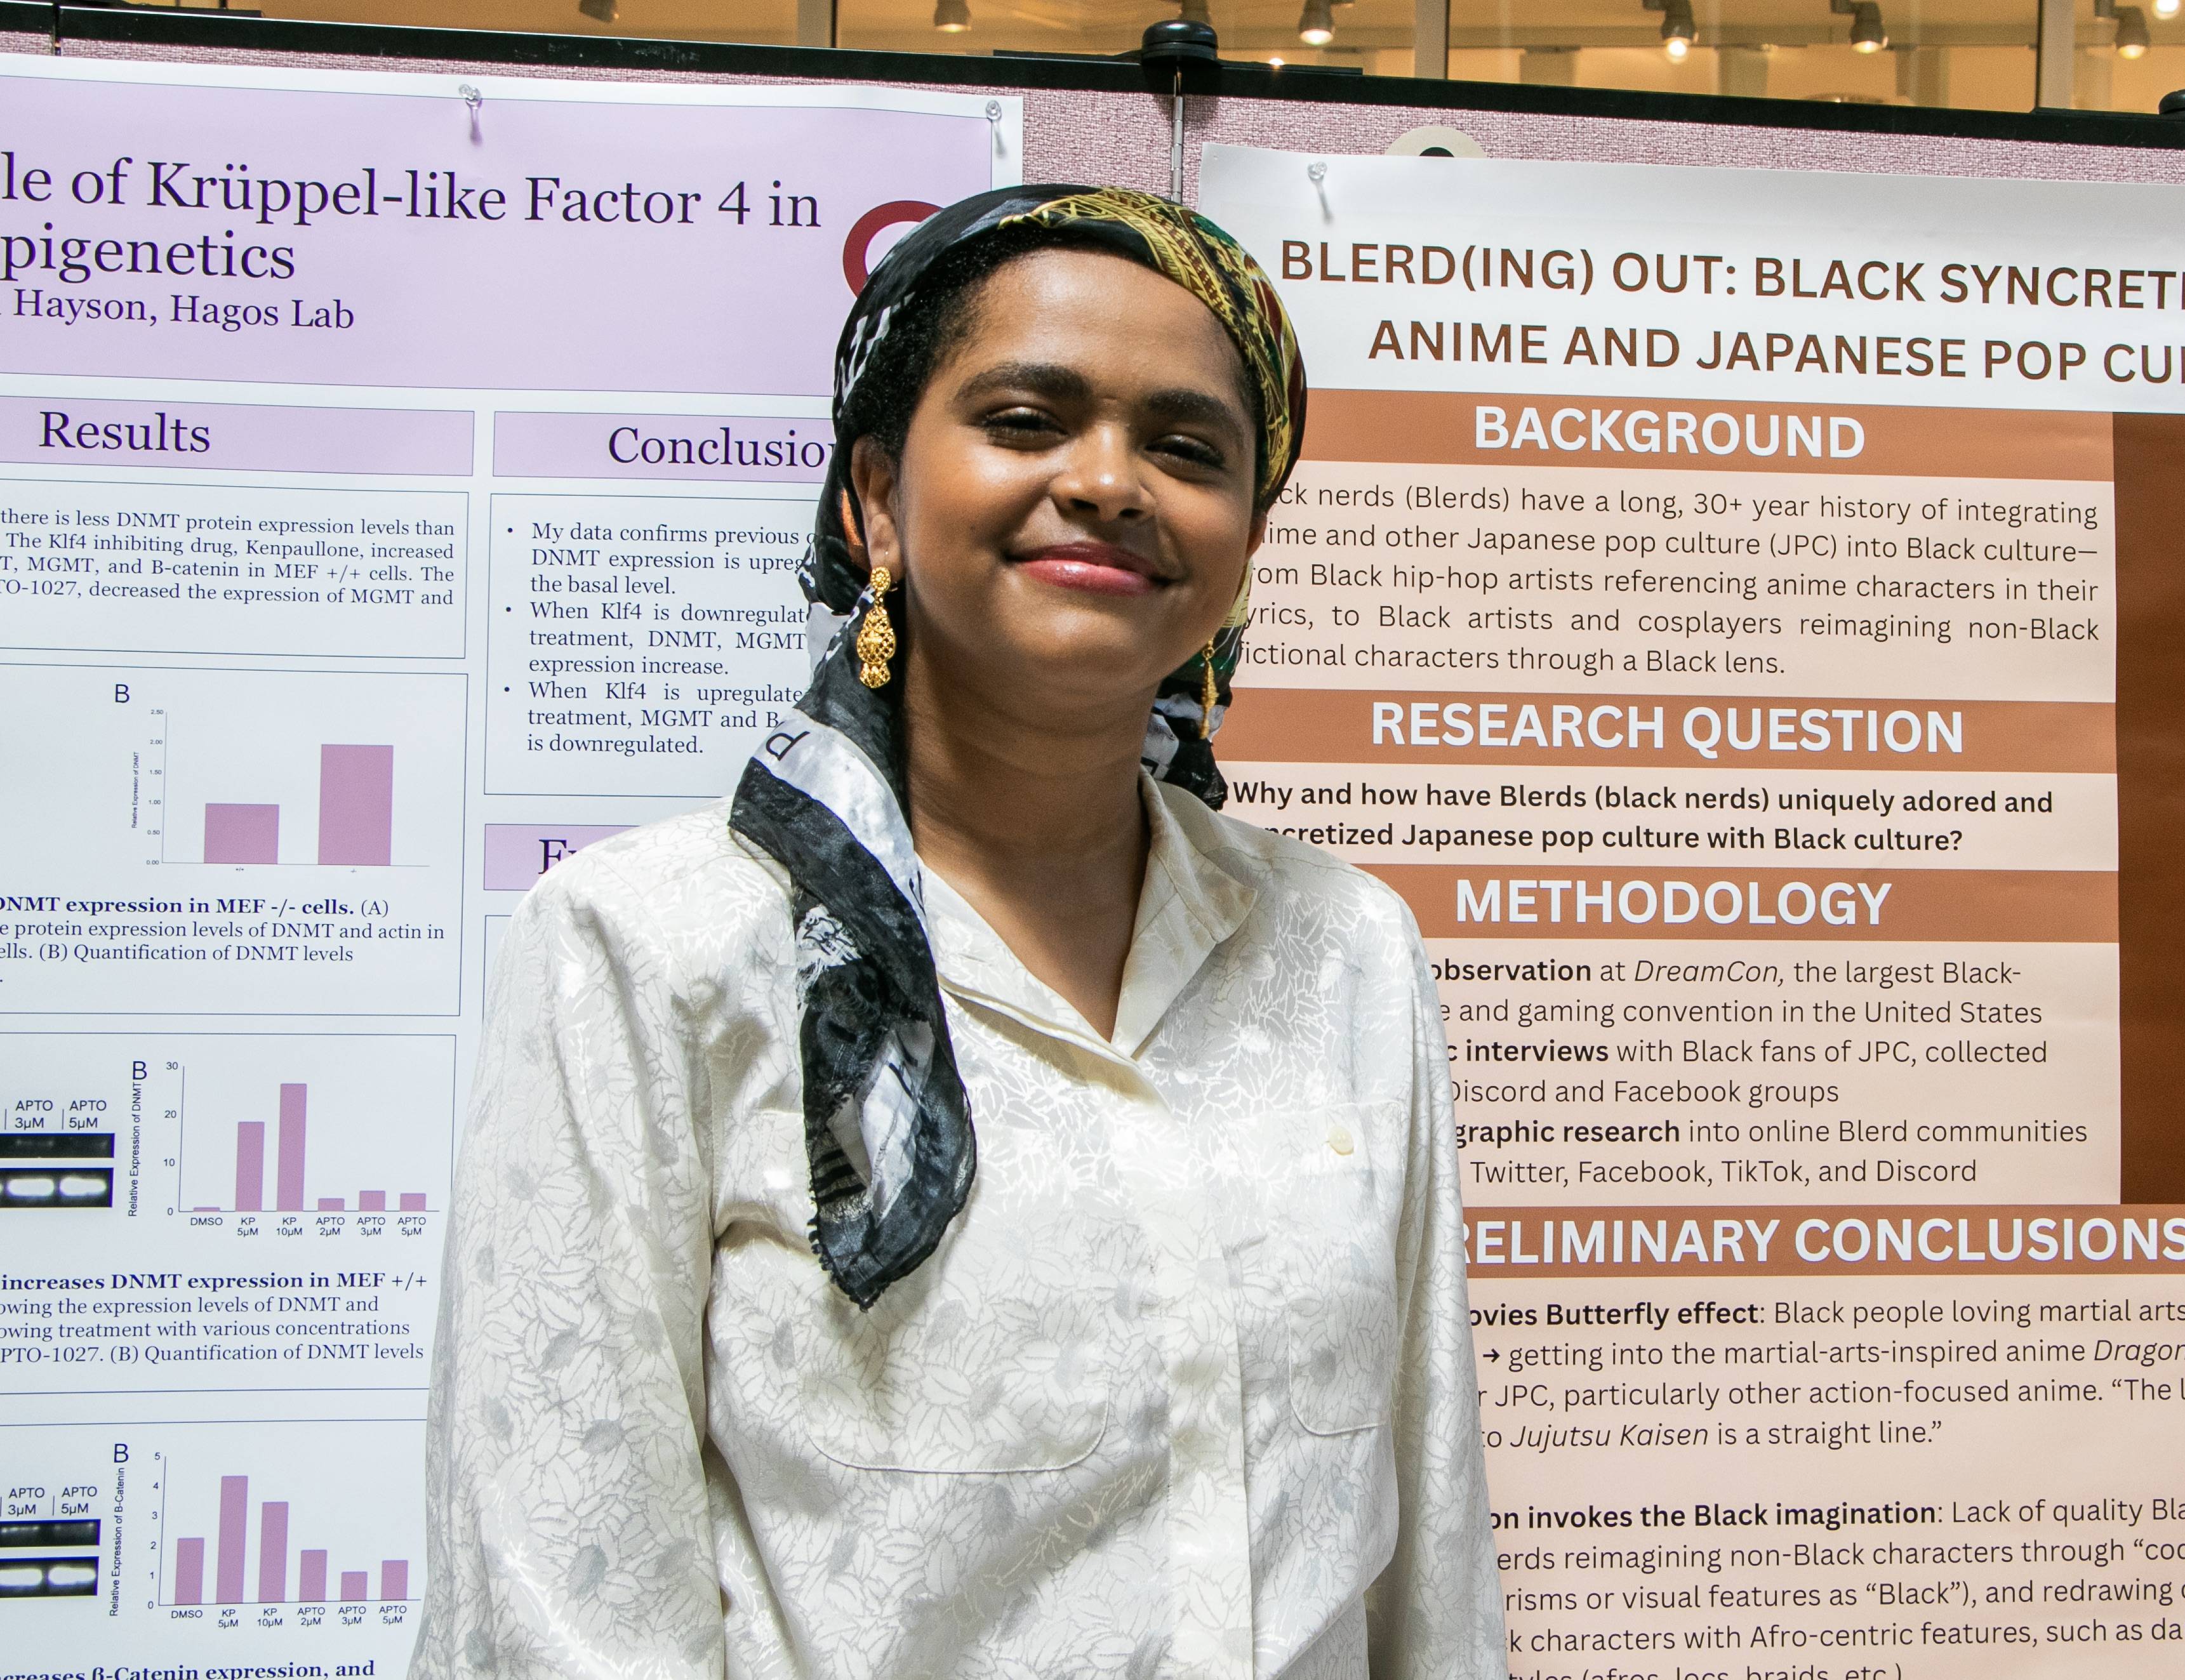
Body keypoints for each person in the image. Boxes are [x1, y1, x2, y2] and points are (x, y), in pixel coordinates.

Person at [415, 186, 1507, 1680]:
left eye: (1186, 449)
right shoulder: (648, 945)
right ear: (873, 496)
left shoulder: (1344, 950)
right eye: (1025, 417)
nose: (1110, 481)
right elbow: (558, 1596)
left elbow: (1425, 1550)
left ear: (1241, 547)